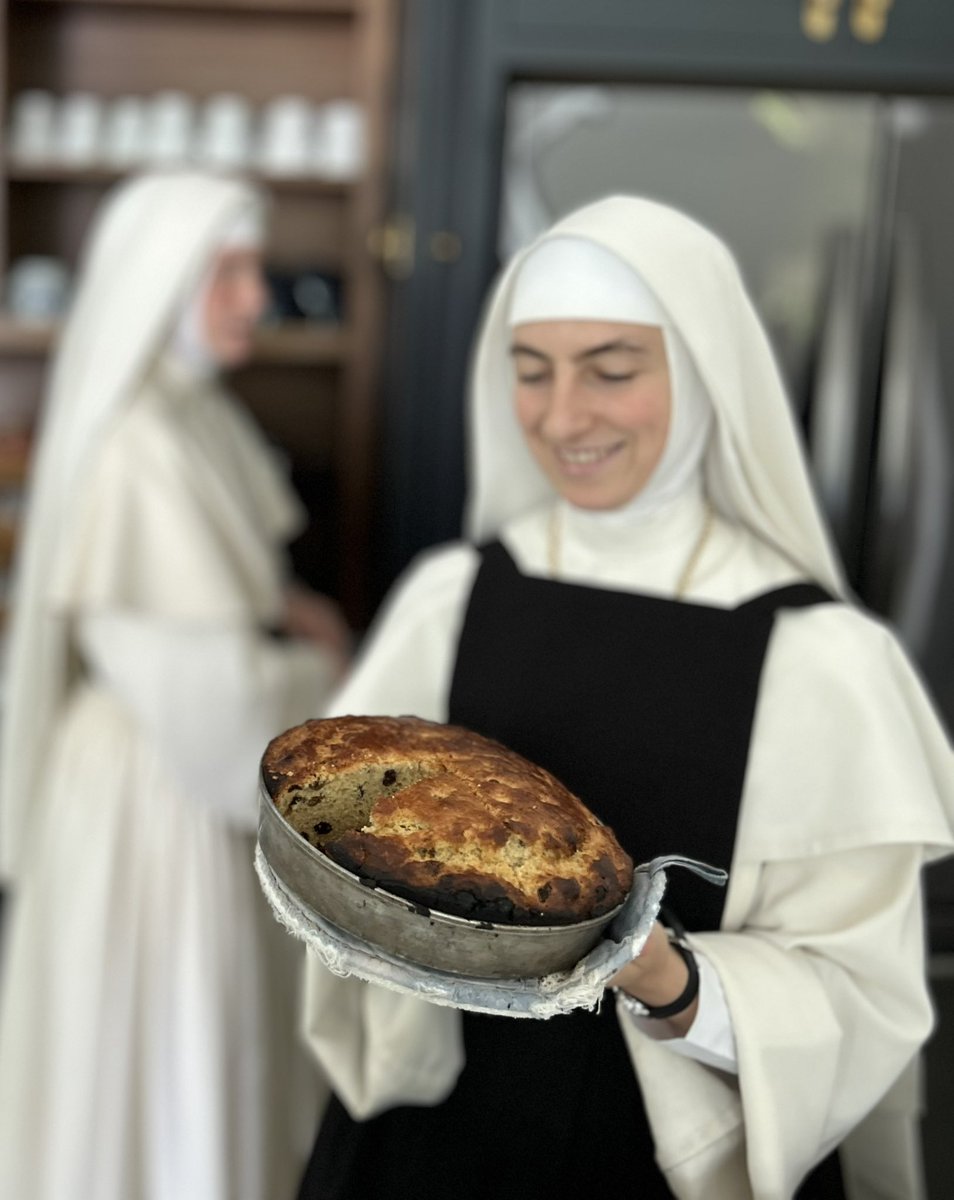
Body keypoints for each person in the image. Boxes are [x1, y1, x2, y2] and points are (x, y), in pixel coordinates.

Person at [291, 196, 954, 1200]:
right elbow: (340, 850)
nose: (564, 417)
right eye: (531, 371)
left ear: (701, 375)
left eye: (611, 369)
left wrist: (672, 979)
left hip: (658, 1160)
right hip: (433, 1149)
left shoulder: (823, 661)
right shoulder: (452, 597)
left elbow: (861, 1001)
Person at [0, 170, 350, 1200]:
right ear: (163, 280)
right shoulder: (140, 446)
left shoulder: (191, 414)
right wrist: (327, 676)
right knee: (167, 1064)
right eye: (228, 272)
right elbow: (217, 724)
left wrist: (285, 613)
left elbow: (232, 591)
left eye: (255, 267)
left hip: (156, 779)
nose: (256, 296)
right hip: (158, 804)